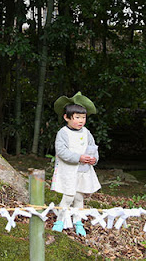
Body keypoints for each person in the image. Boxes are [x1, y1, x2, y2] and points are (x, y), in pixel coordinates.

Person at [50, 92, 101, 236]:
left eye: (83, 117)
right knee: (68, 196)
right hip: (68, 171)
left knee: (79, 197)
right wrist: (78, 157)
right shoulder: (63, 133)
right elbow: (61, 151)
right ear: (67, 117)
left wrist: (93, 159)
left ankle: (78, 222)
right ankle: (60, 221)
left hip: (83, 171)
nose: (81, 121)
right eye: (77, 117)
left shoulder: (86, 132)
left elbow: (93, 147)